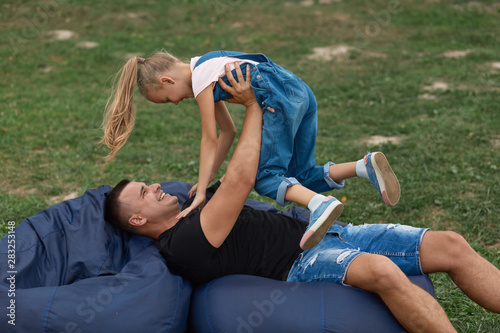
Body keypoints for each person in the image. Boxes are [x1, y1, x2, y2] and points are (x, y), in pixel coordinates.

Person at [104, 67, 500, 333]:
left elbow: (229, 146)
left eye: (149, 184)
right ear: (138, 221)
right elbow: (243, 176)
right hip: (302, 258)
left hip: (328, 231)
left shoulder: (192, 206)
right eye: (144, 193)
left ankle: (351, 174)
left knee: (451, 244)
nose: (156, 187)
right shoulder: (182, 242)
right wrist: (255, 106)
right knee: (381, 271)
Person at [100, 49, 401, 250]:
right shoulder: (208, 67)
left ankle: (320, 206)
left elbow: (209, 136)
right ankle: (364, 166)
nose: (176, 103)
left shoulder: (202, 78)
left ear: (167, 80)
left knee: (266, 178)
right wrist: (203, 181)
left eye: (167, 98)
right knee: (299, 176)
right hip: (300, 93)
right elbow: (227, 133)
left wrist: (203, 190)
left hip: (277, 99)